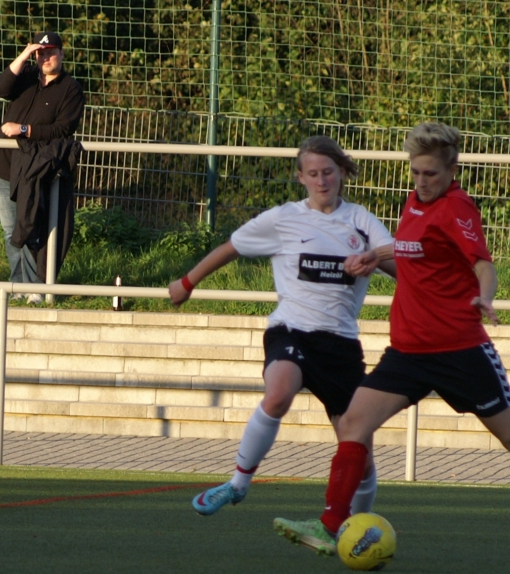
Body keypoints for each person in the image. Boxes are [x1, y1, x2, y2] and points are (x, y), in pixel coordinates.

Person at [273, 122, 510, 554]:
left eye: (430, 174)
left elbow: (483, 264)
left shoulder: (458, 209)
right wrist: (376, 254)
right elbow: (412, 244)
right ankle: (329, 525)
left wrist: (485, 298)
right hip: (408, 353)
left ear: (452, 169)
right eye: (415, 173)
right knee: (354, 423)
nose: (421, 182)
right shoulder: (414, 203)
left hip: (459, 350)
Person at [168, 136, 396, 518]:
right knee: (279, 392)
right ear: (301, 177)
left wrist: (375, 258)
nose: (322, 180)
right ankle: (238, 484)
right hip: (291, 331)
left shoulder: (361, 221)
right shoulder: (284, 219)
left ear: (341, 173)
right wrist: (187, 283)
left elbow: (399, 264)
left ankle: (353, 526)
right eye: (313, 174)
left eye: (328, 172)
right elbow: (232, 246)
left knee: (360, 450)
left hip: (340, 344)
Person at [0, 31, 84, 304]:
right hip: (6, 166)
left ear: (62, 54)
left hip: (36, 170)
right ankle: (17, 284)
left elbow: (64, 128)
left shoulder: (71, 88)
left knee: (30, 228)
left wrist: (24, 129)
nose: (45, 58)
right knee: (11, 230)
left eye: (51, 52)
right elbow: (1, 89)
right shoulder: (27, 75)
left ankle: (35, 287)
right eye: (40, 53)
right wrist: (23, 55)